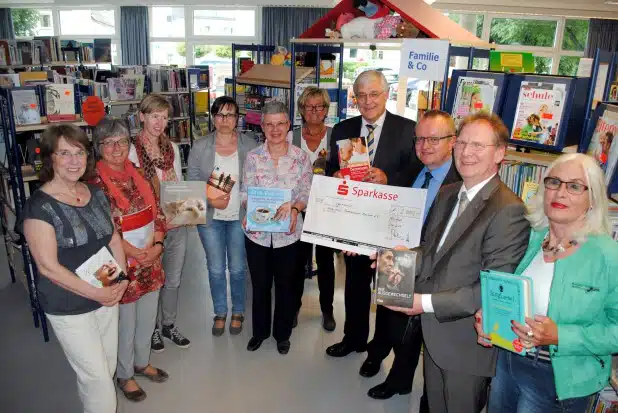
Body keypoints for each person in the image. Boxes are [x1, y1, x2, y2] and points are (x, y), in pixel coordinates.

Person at [388, 113, 531, 413]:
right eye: (462, 143)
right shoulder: (449, 193)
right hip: (435, 337)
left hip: (467, 345)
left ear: (500, 153)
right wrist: (397, 258)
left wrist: (423, 303)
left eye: (478, 145)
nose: (466, 153)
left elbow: (491, 288)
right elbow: (431, 251)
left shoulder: (509, 210)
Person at [475, 153, 618, 413]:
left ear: (592, 198)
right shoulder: (531, 237)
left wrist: (560, 335)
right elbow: (511, 294)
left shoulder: (608, 256)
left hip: (558, 378)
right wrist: (492, 319)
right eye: (554, 182)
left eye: (574, 186)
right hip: (508, 362)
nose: (560, 193)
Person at [20, 124, 128, 413]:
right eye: (64, 153)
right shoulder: (38, 207)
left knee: (105, 368)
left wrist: (122, 279)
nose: (73, 160)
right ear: (51, 159)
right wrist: (98, 293)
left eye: (79, 152)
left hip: (107, 293)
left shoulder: (95, 193)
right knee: (98, 379)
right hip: (68, 304)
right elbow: (48, 267)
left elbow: (114, 239)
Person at [363, 111, 460, 407]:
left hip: (432, 267)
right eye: (420, 138)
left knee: (413, 328)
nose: (425, 145)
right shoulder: (414, 170)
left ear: (452, 142)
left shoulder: (459, 182)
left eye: (434, 139)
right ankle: (386, 363)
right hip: (399, 257)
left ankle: (400, 380)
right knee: (391, 316)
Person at [325, 70, 423, 359]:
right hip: (356, 222)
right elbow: (332, 169)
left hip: (393, 225)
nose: (367, 101)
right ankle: (353, 339)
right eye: (361, 95)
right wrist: (336, 175)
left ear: (387, 94)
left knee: (389, 289)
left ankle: (378, 351)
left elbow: (418, 175)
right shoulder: (343, 129)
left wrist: (387, 176)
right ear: (354, 98)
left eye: (374, 94)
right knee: (354, 286)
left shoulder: (409, 129)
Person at [91, 118, 169, 402]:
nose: (116, 148)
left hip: (151, 259)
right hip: (122, 265)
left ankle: (141, 361)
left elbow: (157, 212)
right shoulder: (93, 184)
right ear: (98, 148)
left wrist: (158, 245)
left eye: (122, 141)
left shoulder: (138, 172)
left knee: (148, 317)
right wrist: (136, 253)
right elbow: (103, 230)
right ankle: (124, 373)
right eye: (108, 143)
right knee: (125, 322)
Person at [241, 101, 312, 355]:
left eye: (280, 123)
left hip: (289, 235)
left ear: (288, 124)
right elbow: (244, 191)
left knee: (286, 286)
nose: (275, 129)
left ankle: (282, 334)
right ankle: (260, 332)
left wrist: (294, 208)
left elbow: (306, 191)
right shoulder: (252, 157)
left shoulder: (301, 158)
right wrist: (248, 210)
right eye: (269, 124)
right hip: (258, 235)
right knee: (260, 286)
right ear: (262, 127)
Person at [188, 96, 257, 336]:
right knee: (216, 268)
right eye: (219, 114)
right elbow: (192, 182)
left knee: (238, 268)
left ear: (237, 118)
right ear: (213, 118)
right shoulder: (200, 146)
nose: (225, 120)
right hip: (210, 218)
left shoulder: (250, 145)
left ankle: (238, 310)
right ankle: (220, 311)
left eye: (230, 115)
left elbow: (257, 180)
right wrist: (210, 200)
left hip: (240, 216)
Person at [129, 94, 191, 352]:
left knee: (173, 279)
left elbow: (175, 185)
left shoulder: (172, 149)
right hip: (149, 228)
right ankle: (152, 329)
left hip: (175, 223)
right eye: (154, 116)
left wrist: (188, 212)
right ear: (142, 116)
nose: (160, 122)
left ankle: (169, 324)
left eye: (164, 117)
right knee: (152, 280)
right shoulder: (131, 150)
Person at [291, 86, 336, 332]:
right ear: (301, 110)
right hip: (300, 208)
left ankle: (327, 309)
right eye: (309, 106)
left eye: (319, 106)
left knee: (326, 261)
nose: (314, 111)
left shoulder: (337, 137)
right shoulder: (291, 137)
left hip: (327, 210)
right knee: (298, 261)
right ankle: (295, 306)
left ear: (326, 110)